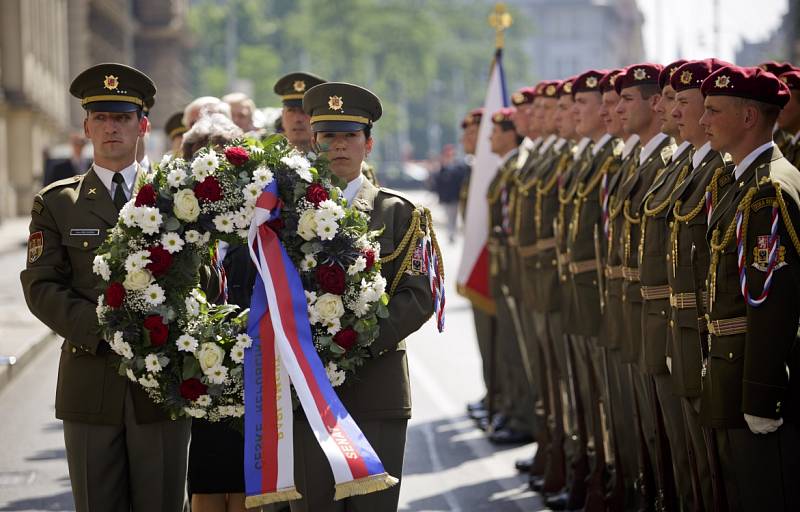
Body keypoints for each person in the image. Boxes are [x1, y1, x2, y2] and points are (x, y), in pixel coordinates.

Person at [20, 62, 202, 512]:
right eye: (100, 118)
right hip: (90, 381)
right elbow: (41, 285)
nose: (110, 128)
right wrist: (109, 330)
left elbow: (206, 278)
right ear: (85, 126)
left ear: (142, 125)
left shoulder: (176, 197)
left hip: (161, 383)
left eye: (121, 117)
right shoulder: (58, 202)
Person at [297, 81, 436, 511]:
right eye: (328, 137)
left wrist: (355, 342)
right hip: (307, 390)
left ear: (368, 144)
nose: (339, 146)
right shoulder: (285, 212)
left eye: (350, 136)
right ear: (313, 143)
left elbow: (420, 295)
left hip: (377, 388)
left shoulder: (400, 214)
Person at [697, 64, 800, 511]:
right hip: (728, 368)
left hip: (747, 374)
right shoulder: (743, 182)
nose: (703, 122)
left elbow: (772, 303)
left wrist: (761, 394)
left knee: (761, 491)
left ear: (748, 118)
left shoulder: (768, 191)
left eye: (713, 110)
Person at [666, 57, 732, 511]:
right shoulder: (688, 166)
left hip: (711, 333)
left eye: (682, 102)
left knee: (714, 460)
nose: (671, 113)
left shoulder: (723, 173)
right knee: (683, 451)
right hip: (674, 323)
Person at [273, 72, 326, 152]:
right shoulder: (265, 160)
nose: (297, 119)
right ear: (282, 115)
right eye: (291, 110)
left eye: (304, 111)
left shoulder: (333, 159)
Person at [433, 143, 467, 242]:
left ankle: (452, 234)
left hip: (455, 197)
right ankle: (450, 233)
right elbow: (438, 181)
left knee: (453, 217)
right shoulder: (442, 167)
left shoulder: (458, 166)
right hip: (446, 198)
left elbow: (459, 178)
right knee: (449, 217)